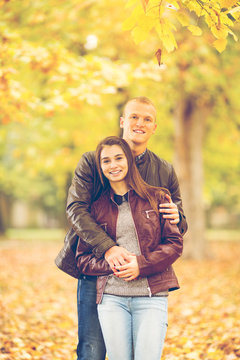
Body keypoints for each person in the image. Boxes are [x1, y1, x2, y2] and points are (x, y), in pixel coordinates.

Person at [55, 96, 187, 360]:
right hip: (97, 269)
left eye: (147, 119)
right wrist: (108, 249)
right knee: (92, 350)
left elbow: (177, 220)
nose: (139, 123)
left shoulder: (163, 170)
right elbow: (76, 209)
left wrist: (179, 218)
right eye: (134, 117)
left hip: (147, 278)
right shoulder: (93, 162)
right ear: (122, 121)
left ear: (154, 127)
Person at [75, 136, 183, 360]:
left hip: (151, 296)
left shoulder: (158, 197)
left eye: (118, 158)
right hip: (112, 298)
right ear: (100, 166)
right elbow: (82, 258)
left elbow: (174, 244)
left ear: (129, 161)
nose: (113, 165)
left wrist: (140, 265)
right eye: (106, 161)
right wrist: (112, 264)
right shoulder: (96, 207)